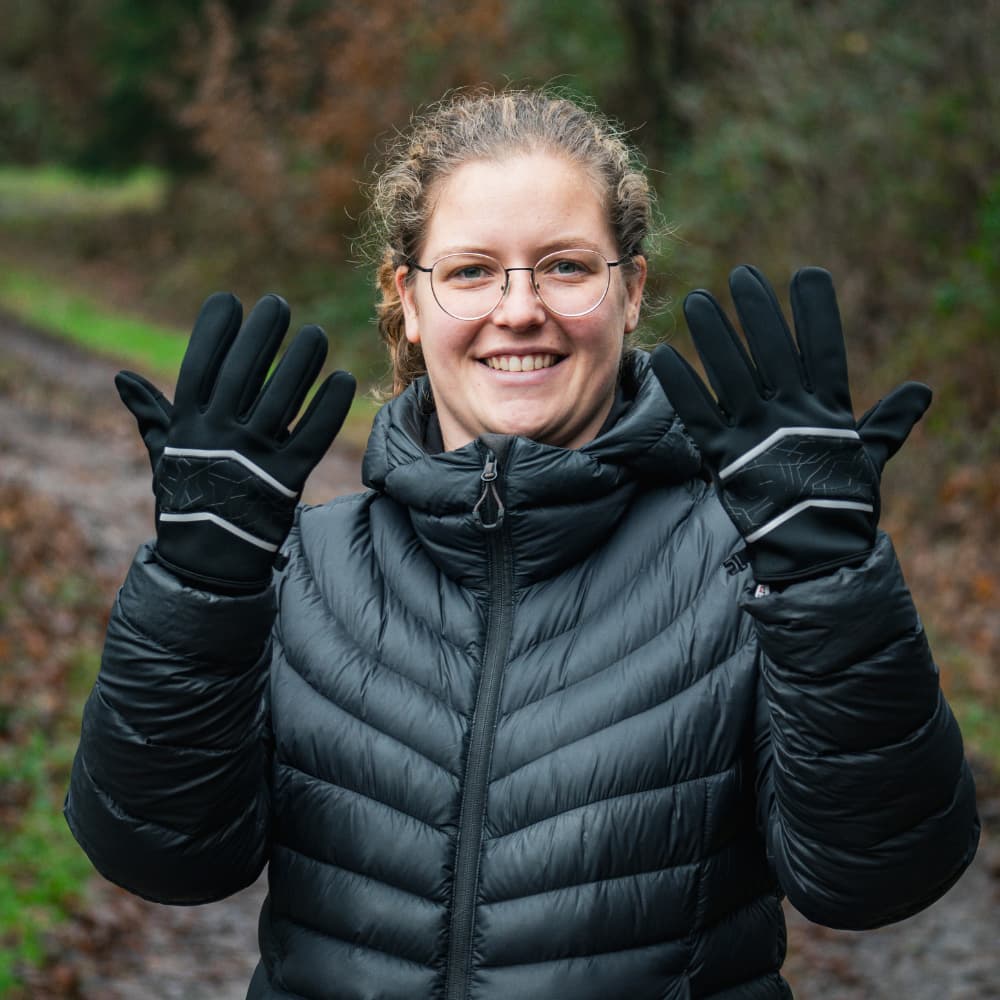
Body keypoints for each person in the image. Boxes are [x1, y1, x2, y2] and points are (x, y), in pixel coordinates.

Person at [65, 88, 980, 1000]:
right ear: (408, 300)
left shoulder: (758, 562)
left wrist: (830, 589)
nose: (519, 309)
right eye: (471, 271)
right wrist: (197, 591)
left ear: (631, 292)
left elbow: (879, 878)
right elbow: (162, 858)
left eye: (565, 266)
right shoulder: (300, 567)